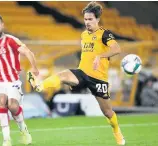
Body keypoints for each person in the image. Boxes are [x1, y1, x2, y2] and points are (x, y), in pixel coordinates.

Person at [27, 2, 125, 145]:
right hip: (82, 73)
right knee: (63, 75)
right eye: (85, 19)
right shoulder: (84, 35)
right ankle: (40, 86)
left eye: (90, 19)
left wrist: (100, 56)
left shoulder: (104, 34)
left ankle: (117, 133)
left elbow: (117, 49)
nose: (87, 22)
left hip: (98, 79)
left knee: (108, 112)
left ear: (97, 19)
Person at [0, 13, 39, 146]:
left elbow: (28, 52)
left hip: (12, 81)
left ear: (2, 25)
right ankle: (6, 139)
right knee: (1, 101)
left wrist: (34, 68)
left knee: (12, 106)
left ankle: (24, 130)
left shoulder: (11, 40)